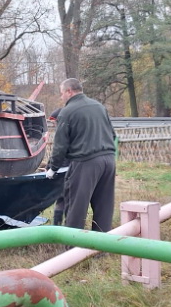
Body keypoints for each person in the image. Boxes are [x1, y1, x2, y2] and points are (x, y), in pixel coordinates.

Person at [45, 78, 117, 232]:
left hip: (86, 162)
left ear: (69, 91)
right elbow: (113, 135)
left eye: (62, 93)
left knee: (76, 207)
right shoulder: (99, 107)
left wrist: (53, 168)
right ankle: (101, 242)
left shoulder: (67, 112)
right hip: (109, 160)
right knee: (104, 206)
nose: (61, 97)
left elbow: (60, 146)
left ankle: (73, 243)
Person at [47, 107, 68, 225]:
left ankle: (62, 226)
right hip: (62, 168)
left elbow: (59, 152)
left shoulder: (64, 132)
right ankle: (58, 225)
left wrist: (52, 168)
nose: (54, 125)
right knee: (61, 199)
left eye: (54, 122)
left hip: (64, 170)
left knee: (63, 198)